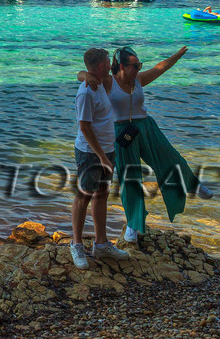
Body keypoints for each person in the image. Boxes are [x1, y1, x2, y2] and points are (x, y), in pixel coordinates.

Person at [81, 46, 209, 246]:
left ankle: (193, 185)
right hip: (122, 134)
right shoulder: (108, 82)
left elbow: (160, 68)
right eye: (135, 66)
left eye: (140, 65)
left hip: (147, 127)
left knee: (169, 157)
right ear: (122, 66)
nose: (139, 69)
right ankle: (133, 224)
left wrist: (177, 55)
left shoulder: (138, 80)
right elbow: (84, 75)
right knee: (130, 178)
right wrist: (84, 76)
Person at [71, 48, 127, 269]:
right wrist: (102, 157)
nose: (110, 63)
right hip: (89, 152)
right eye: (107, 60)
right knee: (84, 195)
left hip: (106, 149)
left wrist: (84, 73)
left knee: (102, 194)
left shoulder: (101, 82)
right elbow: (84, 128)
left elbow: (81, 71)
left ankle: (101, 244)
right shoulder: (86, 91)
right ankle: (76, 244)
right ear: (102, 65)